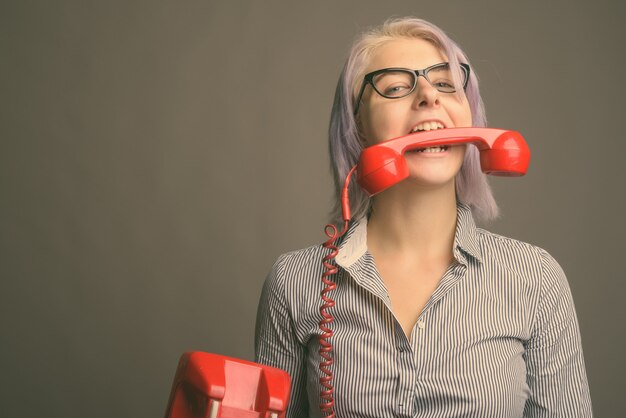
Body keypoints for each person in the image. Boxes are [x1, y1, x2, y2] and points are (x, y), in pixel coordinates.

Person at [255, 17, 592, 417]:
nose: (429, 97)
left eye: (447, 84)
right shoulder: (294, 282)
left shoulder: (535, 279)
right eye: (397, 87)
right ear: (357, 127)